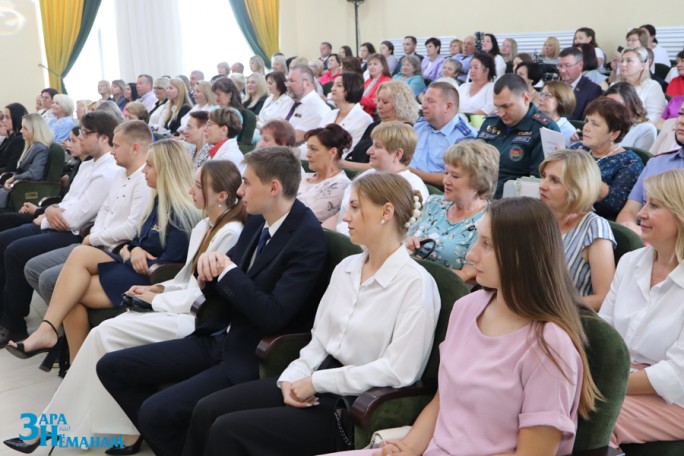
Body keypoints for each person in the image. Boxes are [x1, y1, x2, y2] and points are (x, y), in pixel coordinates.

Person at [180, 172, 440, 456]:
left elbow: (399, 371)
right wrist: (292, 378)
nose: (346, 218)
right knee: (207, 409)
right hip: (314, 380)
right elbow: (319, 341)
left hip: (351, 404)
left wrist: (316, 382)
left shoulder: (415, 284)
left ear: (386, 212)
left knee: (227, 430)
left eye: (354, 207)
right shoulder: (348, 267)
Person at [2, 161, 246, 456]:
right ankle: (76, 425)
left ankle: (57, 426)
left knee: (105, 334)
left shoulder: (230, 232)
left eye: (198, 185)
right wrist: (155, 289)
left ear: (220, 195)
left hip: (195, 320)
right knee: (103, 333)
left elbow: (203, 298)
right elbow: (184, 280)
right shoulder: (205, 225)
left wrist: (156, 298)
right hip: (176, 305)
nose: (190, 190)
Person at [96, 147, 327, 456]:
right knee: (112, 367)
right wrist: (209, 274)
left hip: (251, 351)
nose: (240, 191)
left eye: (247, 183)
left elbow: (274, 315)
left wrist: (226, 271)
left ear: (273, 188)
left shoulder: (307, 237)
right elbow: (227, 279)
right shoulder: (259, 220)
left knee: (155, 412)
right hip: (216, 332)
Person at [334, 196, 599, 456]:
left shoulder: (550, 345)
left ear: (521, 256)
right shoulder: (467, 307)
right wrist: (409, 448)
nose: (472, 255)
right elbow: (444, 400)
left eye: (486, 244)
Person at [7, 139, 198, 362]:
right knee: (80, 255)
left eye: (150, 166)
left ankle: (70, 359)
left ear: (166, 171)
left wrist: (131, 253)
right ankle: (53, 338)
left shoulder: (180, 214)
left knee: (70, 293)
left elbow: (165, 269)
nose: (144, 171)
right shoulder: (157, 201)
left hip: (146, 279)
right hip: (128, 264)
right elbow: (134, 242)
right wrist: (131, 251)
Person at [0, 112, 120, 348]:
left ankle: (14, 323)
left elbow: (75, 219)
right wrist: (49, 211)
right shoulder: (88, 165)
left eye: (86, 133)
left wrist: (45, 217)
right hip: (57, 222)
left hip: (74, 233)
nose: (80, 138)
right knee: (4, 238)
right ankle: (5, 313)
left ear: (104, 137)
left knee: (14, 250)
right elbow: (67, 203)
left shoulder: (108, 171)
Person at [21, 120, 151, 311]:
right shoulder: (120, 174)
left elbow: (131, 228)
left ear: (135, 148)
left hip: (115, 250)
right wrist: (94, 236)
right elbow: (104, 210)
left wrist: (94, 237)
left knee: (49, 279)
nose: (112, 151)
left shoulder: (144, 179)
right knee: (32, 268)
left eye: (116, 146)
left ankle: (63, 328)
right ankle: (65, 324)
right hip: (97, 242)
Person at [600, 169, 684, 447]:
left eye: (655, 206)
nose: (641, 214)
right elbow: (605, 333)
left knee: (589, 417)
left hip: (675, 397)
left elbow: (677, 375)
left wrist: (601, 384)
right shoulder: (630, 261)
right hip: (621, 377)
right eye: (645, 203)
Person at [407, 140, 499, 281]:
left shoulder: (488, 219)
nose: (445, 181)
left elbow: (466, 276)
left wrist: (420, 273)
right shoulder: (434, 203)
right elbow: (404, 243)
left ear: (478, 182)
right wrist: (408, 242)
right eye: (446, 173)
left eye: (455, 176)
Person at [539, 150, 616, 310]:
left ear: (577, 187)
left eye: (554, 180)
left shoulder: (594, 228)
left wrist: (551, 307)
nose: (542, 185)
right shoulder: (535, 215)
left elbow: (604, 298)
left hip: (561, 319)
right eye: (544, 176)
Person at [330, 121, 428, 234]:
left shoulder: (412, 186)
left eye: (377, 146)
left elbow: (398, 235)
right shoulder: (368, 174)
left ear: (397, 154)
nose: (368, 151)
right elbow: (339, 215)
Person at [477, 74, 559, 198]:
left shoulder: (545, 129)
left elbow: (539, 183)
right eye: (497, 106)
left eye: (506, 106)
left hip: (515, 205)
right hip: (478, 195)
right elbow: (472, 163)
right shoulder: (490, 122)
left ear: (526, 99)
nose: (500, 113)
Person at [570, 97, 644, 220]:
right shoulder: (578, 148)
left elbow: (616, 205)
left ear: (614, 133)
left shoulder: (630, 162)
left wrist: (581, 170)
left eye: (594, 124)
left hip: (598, 223)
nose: (586, 128)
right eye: (587, 121)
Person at [617, 105, 684, 234]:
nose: (681, 120)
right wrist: (633, 230)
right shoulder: (657, 162)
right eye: (681, 113)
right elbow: (629, 212)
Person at [411, 81, 478, 187]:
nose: (423, 106)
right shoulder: (420, 125)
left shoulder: (464, 137)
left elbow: (458, 178)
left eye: (430, 101)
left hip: (437, 192)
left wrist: (413, 174)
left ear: (448, 106)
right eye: (424, 100)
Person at [343, 80, 419, 171]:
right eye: (378, 100)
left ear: (400, 105)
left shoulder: (403, 131)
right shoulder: (374, 125)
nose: (379, 105)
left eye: (385, 102)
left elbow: (381, 166)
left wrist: (341, 163)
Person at [298, 124, 352, 222]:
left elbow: (306, 216)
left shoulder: (341, 184)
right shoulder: (304, 177)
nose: (307, 154)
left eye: (313, 149)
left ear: (332, 152)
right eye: (308, 148)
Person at [0, 113, 52, 208]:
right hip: (16, 185)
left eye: (25, 128)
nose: (21, 131)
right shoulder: (32, 145)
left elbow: (35, 174)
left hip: (25, 189)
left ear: (34, 129)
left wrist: (14, 178)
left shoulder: (40, 148)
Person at [320, 72, 373, 151]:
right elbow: (317, 138)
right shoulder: (330, 114)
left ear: (351, 89)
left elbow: (351, 152)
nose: (332, 89)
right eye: (333, 85)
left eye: (339, 85)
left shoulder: (364, 120)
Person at [616, 47, 667, 124]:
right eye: (622, 61)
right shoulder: (615, 85)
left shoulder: (652, 87)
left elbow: (655, 118)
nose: (623, 64)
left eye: (629, 61)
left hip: (640, 131)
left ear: (642, 66)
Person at [285, 64, 331, 144]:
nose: (288, 85)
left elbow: (296, 138)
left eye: (292, 81)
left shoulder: (316, 108)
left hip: (295, 153)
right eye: (287, 81)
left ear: (306, 84)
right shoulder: (289, 101)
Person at [605, 82, 657, 151]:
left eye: (618, 105)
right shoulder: (601, 123)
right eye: (607, 104)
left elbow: (637, 159)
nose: (612, 109)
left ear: (631, 105)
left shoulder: (646, 129)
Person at [557, 47, 603, 120]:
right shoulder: (556, 87)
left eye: (567, 66)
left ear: (580, 65)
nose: (562, 70)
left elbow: (586, 121)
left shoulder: (592, 90)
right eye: (560, 66)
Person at [538, 81, 578, 146]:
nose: (540, 98)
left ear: (561, 100)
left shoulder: (569, 132)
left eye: (546, 95)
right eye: (541, 94)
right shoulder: (534, 121)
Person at [204, 107, 244, 173]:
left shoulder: (227, 158)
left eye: (209, 125)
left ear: (223, 130)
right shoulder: (221, 152)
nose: (205, 129)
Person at [457, 52, 496, 116]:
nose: (472, 71)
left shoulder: (491, 88)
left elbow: (489, 108)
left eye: (476, 68)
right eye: (470, 67)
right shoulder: (463, 87)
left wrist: (468, 118)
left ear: (486, 70)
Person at [0, 103, 28, 174]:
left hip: (6, 179)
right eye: (3, 117)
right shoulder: (12, 136)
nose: (3, 120)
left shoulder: (20, 139)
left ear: (17, 118)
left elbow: (11, 168)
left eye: (7, 117)